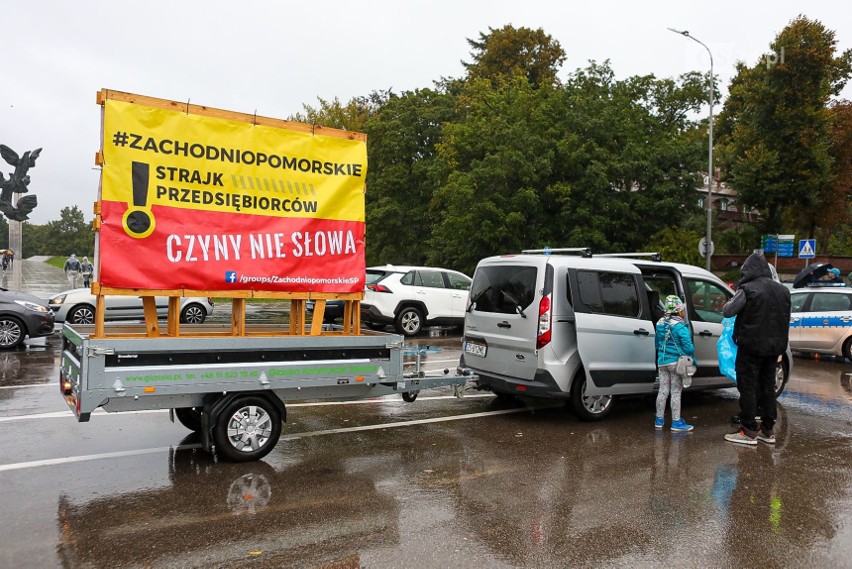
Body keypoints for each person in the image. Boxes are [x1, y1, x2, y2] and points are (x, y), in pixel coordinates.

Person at [722, 252, 791, 445]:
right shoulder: (783, 291)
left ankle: (748, 430)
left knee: (748, 387)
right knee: (768, 387)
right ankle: (768, 430)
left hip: (751, 347)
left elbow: (728, 311)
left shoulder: (748, 289)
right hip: (774, 348)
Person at [655, 294, 696, 432]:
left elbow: (657, 344)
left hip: (662, 362)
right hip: (676, 363)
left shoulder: (659, 323)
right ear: (678, 310)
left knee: (662, 391)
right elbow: (689, 348)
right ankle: (676, 422)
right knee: (676, 392)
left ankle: (659, 420)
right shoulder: (680, 326)